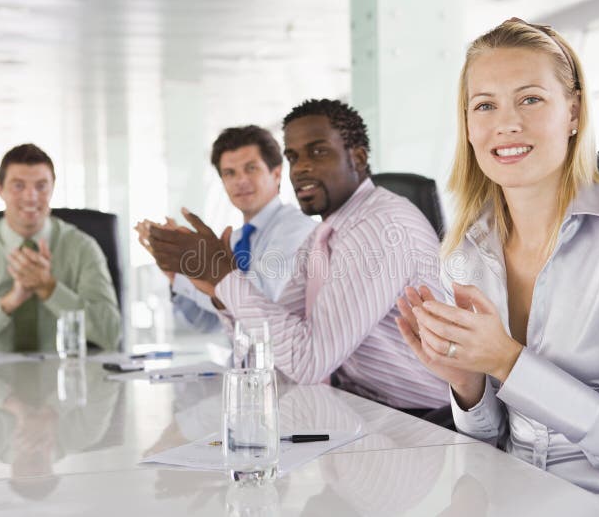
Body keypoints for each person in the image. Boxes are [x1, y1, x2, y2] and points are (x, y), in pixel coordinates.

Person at [396, 19, 599, 514]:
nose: (506, 124)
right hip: (522, 500)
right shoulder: (466, 252)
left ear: (573, 112)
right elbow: (489, 441)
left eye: (530, 99)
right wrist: (467, 385)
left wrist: (507, 361)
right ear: (468, 126)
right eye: (485, 105)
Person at [148, 99, 448, 411]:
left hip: (418, 421)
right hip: (357, 410)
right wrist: (218, 290)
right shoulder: (325, 236)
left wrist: (224, 276)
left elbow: (308, 363)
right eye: (293, 157)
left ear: (357, 158)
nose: (301, 168)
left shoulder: (380, 226)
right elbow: (264, 354)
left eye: (318, 152)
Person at [0, 144, 120, 355]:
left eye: (41, 186)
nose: (31, 196)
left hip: (64, 372)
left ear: (53, 189)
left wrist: (50, 289)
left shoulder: (83, 247)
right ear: (0, 190)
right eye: (18, 186)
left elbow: (111, 334)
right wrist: (9, 302)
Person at [136, 125, 315, 333]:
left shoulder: (296, 230)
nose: (240, 181)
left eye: (251, 168)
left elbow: (260, 303)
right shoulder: (234, 240)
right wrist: (178, 273)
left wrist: (203, 271)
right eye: (230, 173)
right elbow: (209, 323)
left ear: (276, 174)